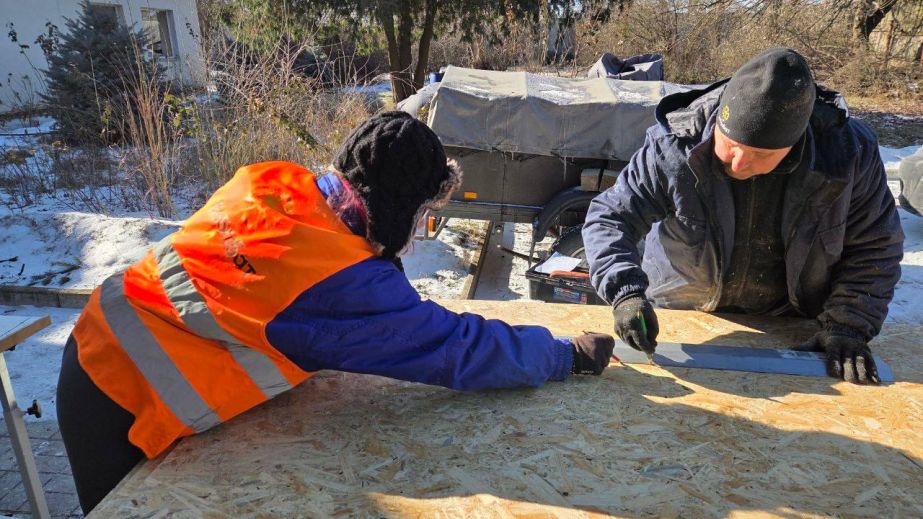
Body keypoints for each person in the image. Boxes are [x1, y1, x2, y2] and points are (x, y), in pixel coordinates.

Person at [57, 111, 616, 513]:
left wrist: (375, 266)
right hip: (122, 403)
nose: (421, 230)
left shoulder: (270, 181)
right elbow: (454, 348)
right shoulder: (341, 286)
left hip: (95, 344)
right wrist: (563, 354)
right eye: (422, 213)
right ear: (397, 209)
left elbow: (271, 281)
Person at [582, 48, 903, 385]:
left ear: (794, 144)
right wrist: (626, 292)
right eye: (730, 145)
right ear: (720, 118)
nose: (737, 164)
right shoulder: (673, 146)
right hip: (680, 315)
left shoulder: (848, 155)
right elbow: (611, 217)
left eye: (760, 155)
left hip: (790, 323)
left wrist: (847, 325)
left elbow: (875, 246)